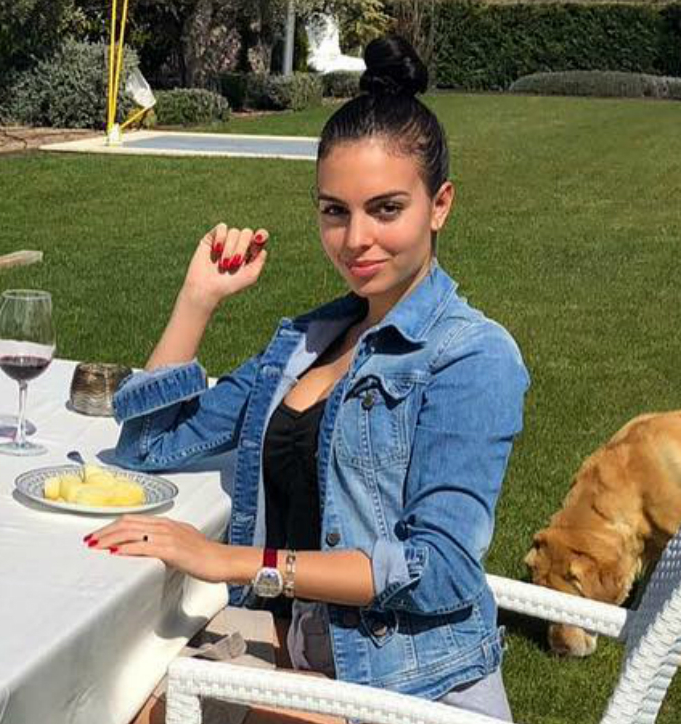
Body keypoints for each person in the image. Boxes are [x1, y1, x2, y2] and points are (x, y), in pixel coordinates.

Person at [93, 36, 527, 722]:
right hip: (305, 660)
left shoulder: (472, 357)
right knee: (112, 696)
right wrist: (197, 299)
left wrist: (240, 563)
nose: (356, 240)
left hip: (406, 692)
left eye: (386, 209)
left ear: (439, 204)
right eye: (335, 211)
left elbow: (437, 569)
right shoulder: (305, 343)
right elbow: (145, 446)